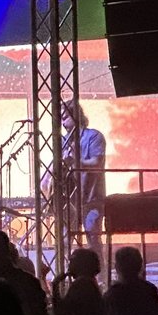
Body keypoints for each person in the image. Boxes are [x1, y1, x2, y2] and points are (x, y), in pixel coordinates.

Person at [49, 100, 107, 255]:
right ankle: (66, 274)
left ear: (76, 116)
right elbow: (54, 168)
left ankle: (100, 276)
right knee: (65, 240)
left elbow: (96, 162)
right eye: (60, 118)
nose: (62, 121)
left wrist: (75, 161)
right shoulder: (61, 141)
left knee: (93, 239)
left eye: (65, 116)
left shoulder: (93, 136)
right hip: (70, 201)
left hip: (91, 199)